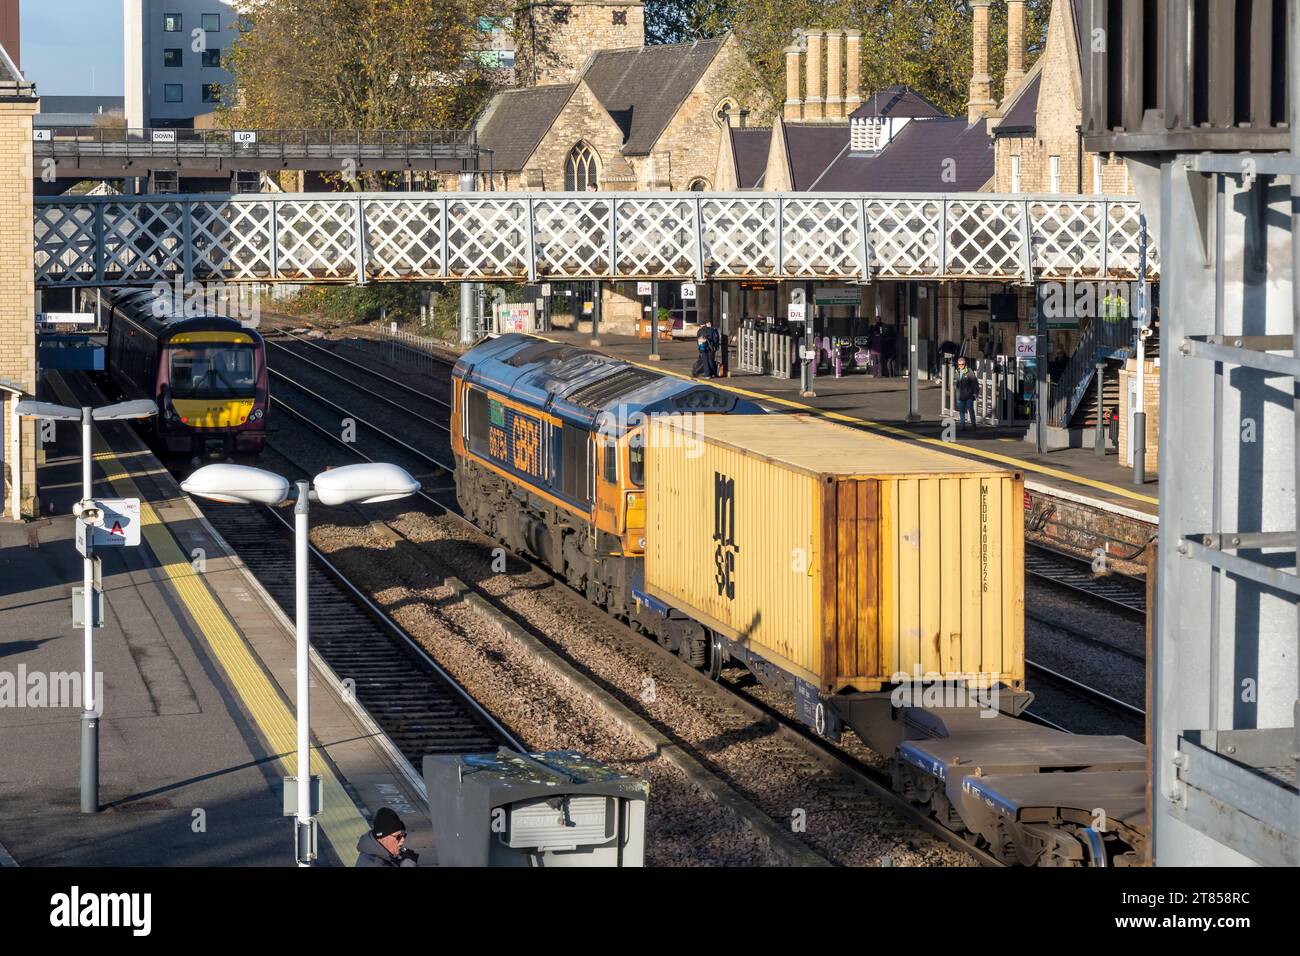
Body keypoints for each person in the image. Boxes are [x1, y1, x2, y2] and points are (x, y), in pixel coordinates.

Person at [954, 356, 979, 431]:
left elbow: (975, 383)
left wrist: (975, 393)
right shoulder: (957, 372)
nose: (961, 366)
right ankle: (962, 426)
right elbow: (954, 382)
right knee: (961, 412)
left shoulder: (969, 371)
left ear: (965, 364)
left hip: (968, 395)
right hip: (960, 396)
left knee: (970, 410)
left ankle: (973, 425)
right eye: (959, 364)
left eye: (962, 364)